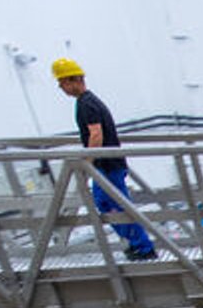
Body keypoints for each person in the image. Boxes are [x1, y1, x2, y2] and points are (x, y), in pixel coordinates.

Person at [51, 58, 156, 261]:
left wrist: (88, 161)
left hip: (107, 166)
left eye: (62, 83)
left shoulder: (86, 104)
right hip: (109, 164)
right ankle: (139, 246)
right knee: (111, 204)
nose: (61, 88)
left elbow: (96, 134)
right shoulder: (89, 101)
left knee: (113, 205)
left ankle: (143, 248)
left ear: (73, 80)